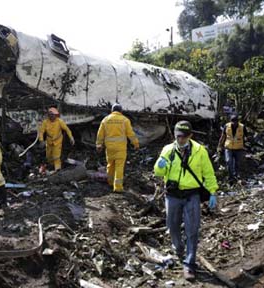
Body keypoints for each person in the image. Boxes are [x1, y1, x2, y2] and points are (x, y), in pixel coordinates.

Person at [154, 120, 218, 280]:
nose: (180, 139)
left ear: (190, 136)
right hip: (173, 195)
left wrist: (213, 192)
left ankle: (189, 264)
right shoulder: (168, 150)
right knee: (172, 225)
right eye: (177, 136)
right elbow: (158, 172)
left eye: (183, 136)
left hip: (192, 195)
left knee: (193, 230)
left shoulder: (199, 151)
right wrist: (160, 165)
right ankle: (178, 247)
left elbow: (208, 173)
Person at [96, 103, 139, 193]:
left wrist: (99, 145)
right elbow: (130, 134)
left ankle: (110, 182)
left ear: (112, 110)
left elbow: (100, 134)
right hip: (120, 148)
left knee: (110, 165)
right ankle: (118, 187)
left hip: (109, 148)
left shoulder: (105, 120)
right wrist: (136, 144)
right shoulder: (125, 120)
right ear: (121, 111)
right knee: (119, 167)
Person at [39, 107, 75, 172]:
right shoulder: (45, 122)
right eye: (50, 115)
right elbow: (41, 132)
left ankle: (58, 170)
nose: (51, 116)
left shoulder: (59, 121)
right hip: (49, 141)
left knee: (56, 157)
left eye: (53, 115)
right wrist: (41, 140)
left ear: (55, 115)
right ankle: (51, 166)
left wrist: (71, 137)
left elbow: (67, 129)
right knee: (48, 156)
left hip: (57, 141)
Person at [217, 113, 246, 183]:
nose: (234, 123)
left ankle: (236, 176)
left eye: (235, 121)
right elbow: (223, 136)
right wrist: (219, 146)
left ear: (238, 121)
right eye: (232, 121)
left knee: (237, 163)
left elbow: (246, 137)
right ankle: (231, 177)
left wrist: (246, 145)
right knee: (228, 161)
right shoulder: (227, 126)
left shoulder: (242, 127)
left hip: (239, 148)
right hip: (228, 147)